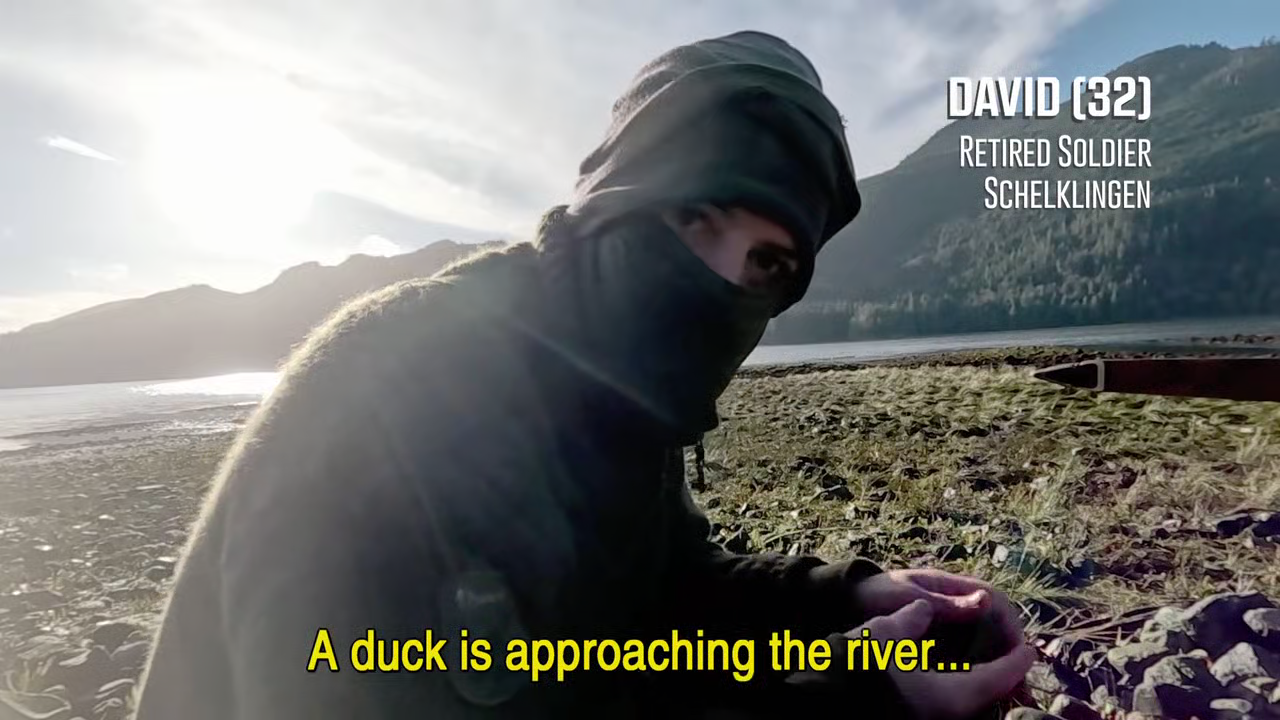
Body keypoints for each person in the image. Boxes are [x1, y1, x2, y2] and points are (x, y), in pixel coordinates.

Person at [131, 30, 1035, 720]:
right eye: (693, 219)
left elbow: (661, 600)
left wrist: (846, 597)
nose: (720, 284)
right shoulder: (392, 378)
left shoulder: (618, 387)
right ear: (612, 201)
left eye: (767, 264)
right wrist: (850, 702)